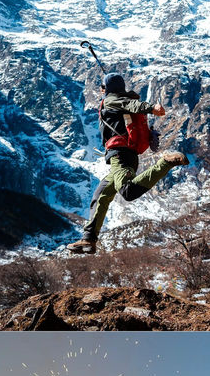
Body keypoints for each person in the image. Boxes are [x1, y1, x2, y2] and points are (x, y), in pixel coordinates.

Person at [68, 73, 189, 254]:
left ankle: (165, 163)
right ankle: (88, 240)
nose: (101, 89)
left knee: (127, 191)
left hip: (120, 155)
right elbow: (131, 105)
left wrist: (151, 108)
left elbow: (131, 105)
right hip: (127, 156)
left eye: (103, 86)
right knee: (101, 195)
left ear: (108, 88)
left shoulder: (111, 100)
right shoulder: (122, 100)